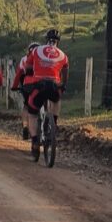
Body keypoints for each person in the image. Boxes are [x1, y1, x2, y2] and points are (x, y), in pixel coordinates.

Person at [25, 30, 69, 160]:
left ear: (46, 40)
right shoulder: (63, 55)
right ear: (58, 41)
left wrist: (29, 80)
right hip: (54, 85)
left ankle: (34, 142)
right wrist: (63, 85)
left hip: (39, 85)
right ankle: (54, 122)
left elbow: (28, 68)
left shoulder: (36, 51)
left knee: (32, 113)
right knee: (57, 99)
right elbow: (65, 74)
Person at [11, 42, 39, 140]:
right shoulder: (42, 58)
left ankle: (25, 126)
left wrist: (14, 86)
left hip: (27, 85)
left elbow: (18, 74)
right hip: (41, 84)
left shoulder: (24, 59)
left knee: (27, 106)